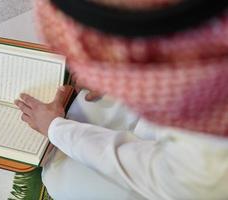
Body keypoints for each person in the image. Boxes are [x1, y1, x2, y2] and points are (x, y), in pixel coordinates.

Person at [15, 0, 228, 199]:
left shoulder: (209, 172)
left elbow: (134, 167)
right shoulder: (200, 71)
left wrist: (56, 129)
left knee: (58, 178)